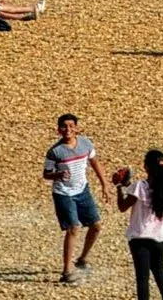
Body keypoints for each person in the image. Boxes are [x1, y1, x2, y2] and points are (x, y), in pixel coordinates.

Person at [45, 114, 104, 284]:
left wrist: (104, 184)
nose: (68, 130)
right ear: (58, 130)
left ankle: (82, 259)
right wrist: (57, 174)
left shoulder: (85, 144)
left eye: (71, 126)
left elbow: (95, 163)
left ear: (77, 128)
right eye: (64, 126)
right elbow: (46, 174)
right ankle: (67, 271)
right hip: (63, 193)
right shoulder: (55, 151)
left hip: (82, 190)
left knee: (96, 225)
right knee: (73, 228)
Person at [114, 148, 163, 300]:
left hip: (141, 236)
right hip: (161, 235)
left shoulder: (140, 186)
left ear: (146, 167)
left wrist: (119, 187)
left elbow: (123, 206)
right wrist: (128, 184)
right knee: (159, 267)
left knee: (142, 277)